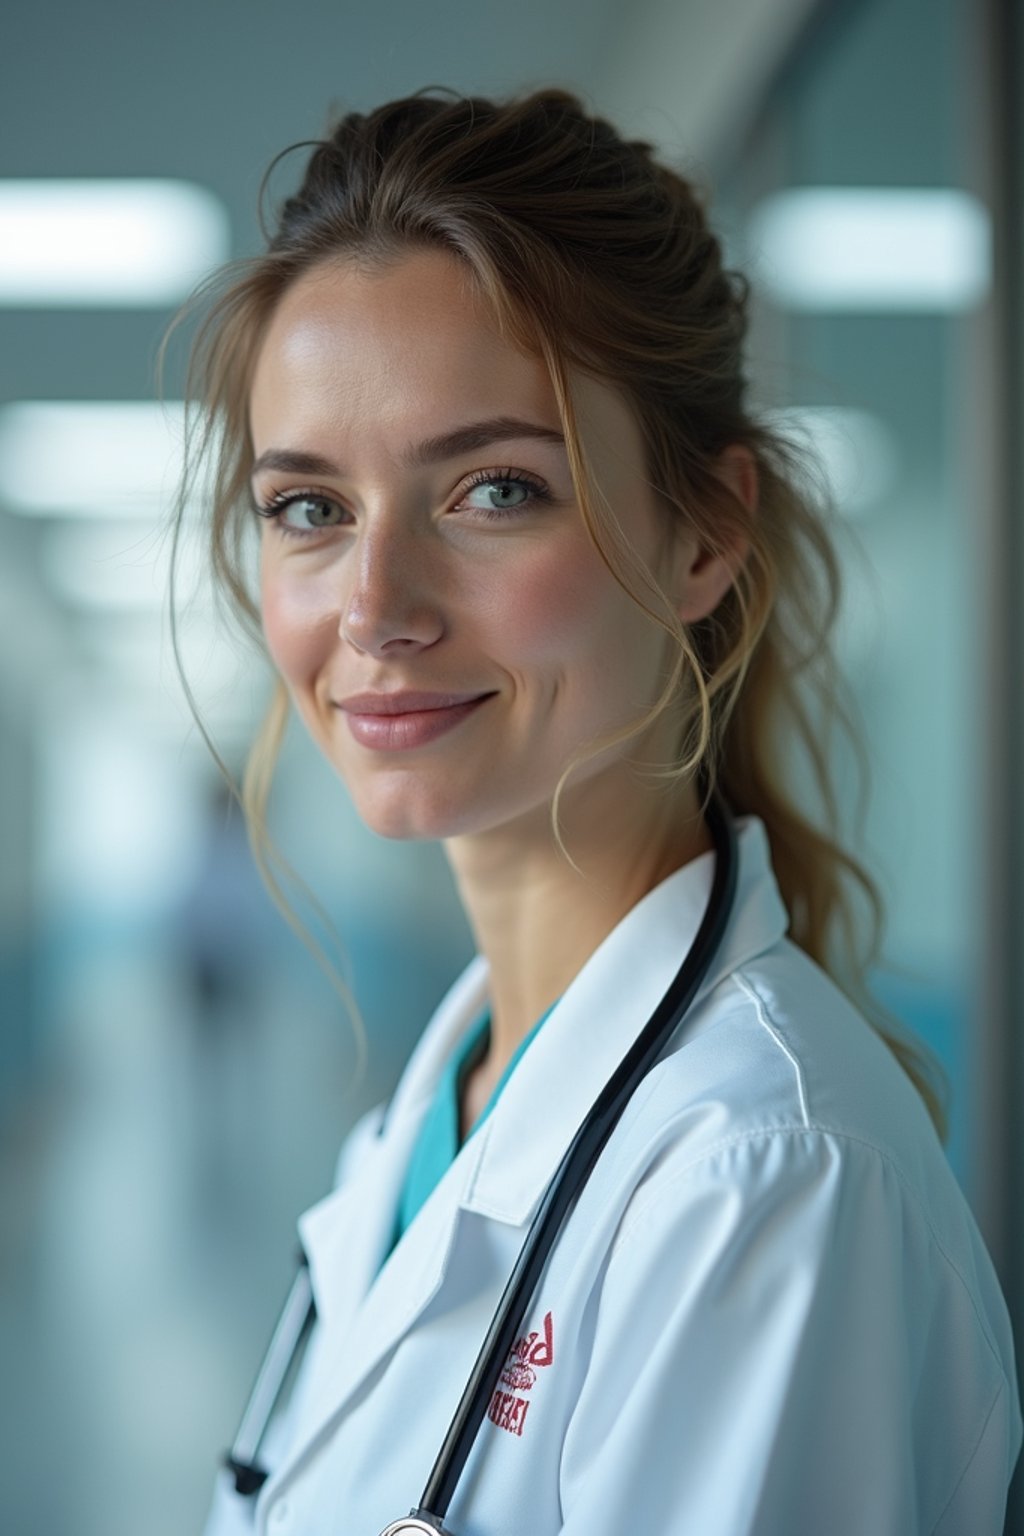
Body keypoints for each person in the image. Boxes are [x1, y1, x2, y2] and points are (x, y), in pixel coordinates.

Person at [169, 88, 1022, 1534]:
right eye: (310, 508)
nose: (374, 608)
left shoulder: (762, 1179)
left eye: (495, 489)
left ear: (703, 534)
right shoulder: (439, 1112)